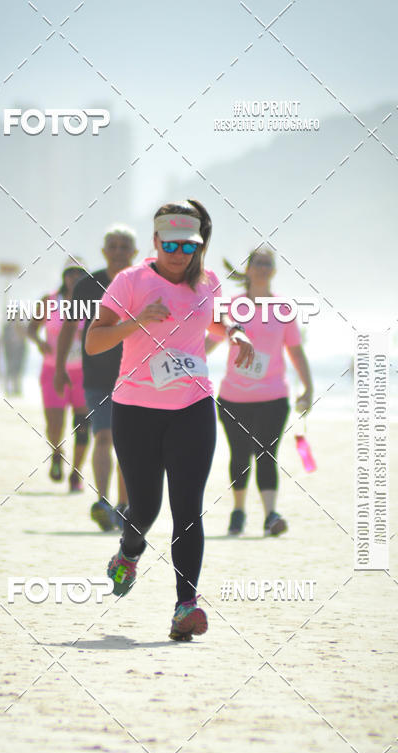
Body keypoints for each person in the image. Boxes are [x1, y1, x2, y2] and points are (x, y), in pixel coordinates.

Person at [85, 200, 254, 641]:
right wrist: (137, 323)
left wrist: (235, 334)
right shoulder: (131, 281)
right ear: (156, 242)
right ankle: (129, 551)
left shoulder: (208, 282)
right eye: (171, 244)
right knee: (145, 507)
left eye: (188, 245)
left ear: (198, 246)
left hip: (193, 407)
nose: (179, 253)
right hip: (136, 410)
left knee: (188, 511)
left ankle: (185, 606)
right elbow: (94, 341)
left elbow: (215, 323)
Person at [208, 247, 313, 536]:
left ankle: (270, 516)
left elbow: (295, 352)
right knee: (239, 456)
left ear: (274, 271)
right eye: (259, 263)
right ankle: (238, 511)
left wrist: (308, 388)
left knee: (267, 453)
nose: (264, 268)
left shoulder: (284, 310)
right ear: (249, 269)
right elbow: (209, 342)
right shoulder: (231, 306)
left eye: (269, 264)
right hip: (233, 397)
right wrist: (183, 363)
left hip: (273, 397)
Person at [55, 227, 136, 531]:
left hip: (136, 376)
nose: (118, 251)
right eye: (112, 246)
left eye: (124, 246)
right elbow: (68, 328)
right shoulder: (87, 287)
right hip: (97, 376)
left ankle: (125, 506)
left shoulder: (144, 283)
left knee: (128, 444)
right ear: (104, 251)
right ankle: (103, 500)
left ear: (134, 252)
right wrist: (61, 367)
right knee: (103, 436)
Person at [27, 258, 90, 486]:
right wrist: (39, 342)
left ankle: (77, 472)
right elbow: (31, 329)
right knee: (54, 424)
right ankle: (57, 452)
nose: (75, 278)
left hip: (83, 373)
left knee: (83, 424)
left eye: (80, 273)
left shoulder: (93, 302)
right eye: (71, 273)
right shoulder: (50, 300)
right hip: (53, 370)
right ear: (64, 276)